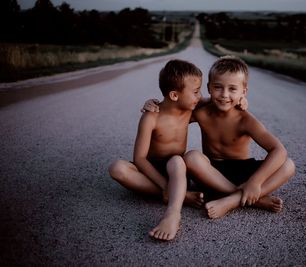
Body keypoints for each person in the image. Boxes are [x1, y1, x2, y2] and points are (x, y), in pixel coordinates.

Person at [144, 56, 295, 219]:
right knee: (191, 157)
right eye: (218, 87)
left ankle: (233, 200)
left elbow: (278, 150)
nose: (224, 94)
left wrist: (255, 182)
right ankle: (249, 198)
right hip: (211, 174)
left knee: (288, 165)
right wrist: (155, 105)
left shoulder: (245, 120)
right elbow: (174, 112)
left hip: (244, 171)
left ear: (244, 92)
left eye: (232, 89)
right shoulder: (201, 112)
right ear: (208, 88)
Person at [108, 59, 204, 241]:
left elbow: (217, 104)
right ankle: (180, 195)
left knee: (176, 161)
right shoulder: (151, 117)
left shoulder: (189, 111)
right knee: (116, 168)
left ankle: (173, 215)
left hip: (176, 170)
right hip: (151, 171)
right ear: (174, 95)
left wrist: (242, 100)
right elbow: (140, 159)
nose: (200, 96)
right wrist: (164, 186)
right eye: (196, 92)